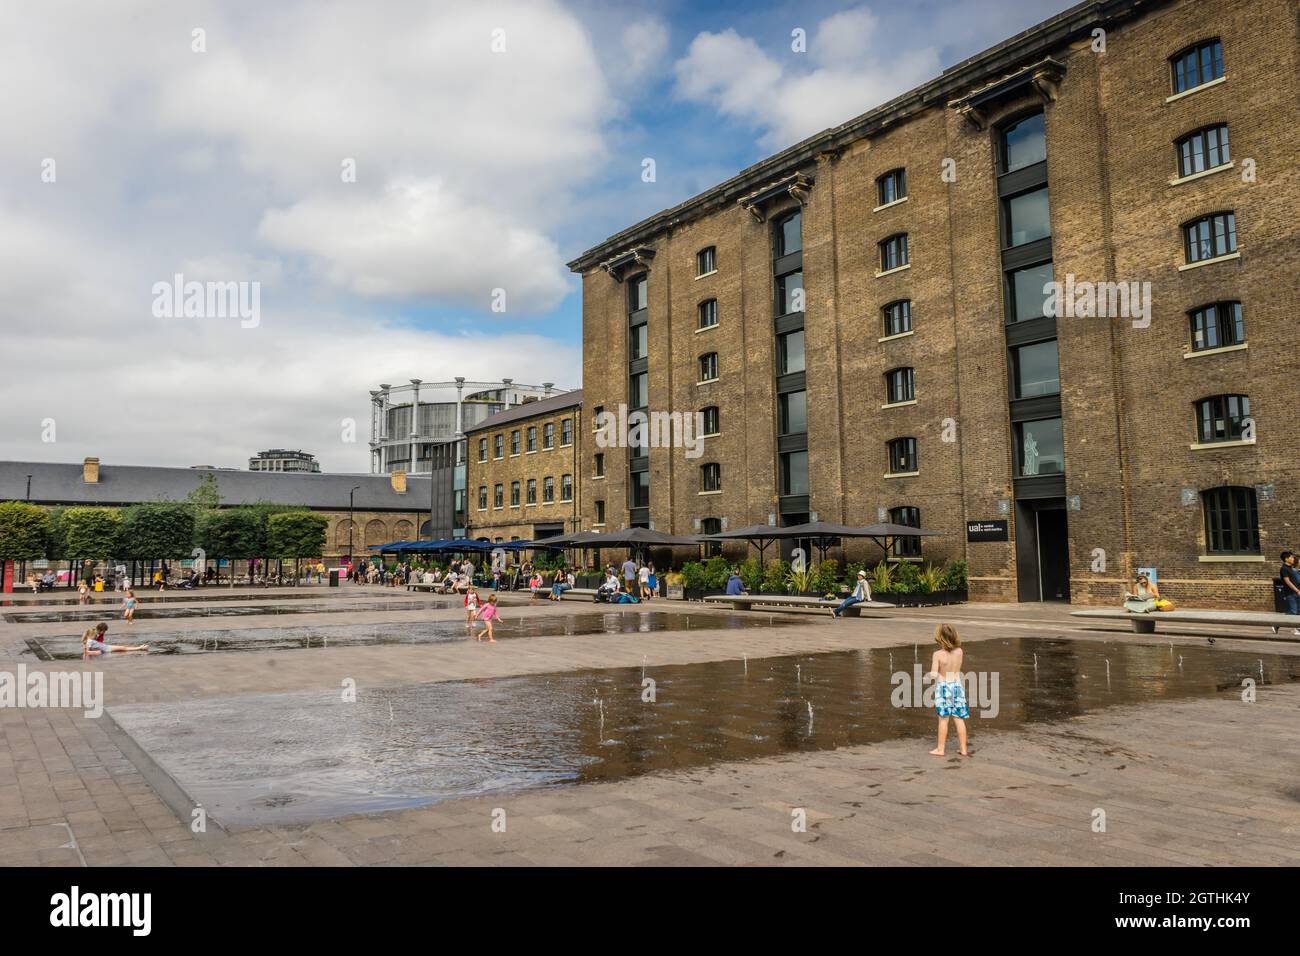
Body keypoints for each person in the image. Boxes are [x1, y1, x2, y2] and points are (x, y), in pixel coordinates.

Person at [927, 623, 969, 758]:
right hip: (957, 686)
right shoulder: (960, 651)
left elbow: (934, 674)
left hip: (944, 687)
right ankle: (963, 749)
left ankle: (940, 749)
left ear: (940, 638)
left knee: (943, 719)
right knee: (959, 718)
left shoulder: (938, 654)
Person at [1274, 551, 1300, 636]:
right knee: (1293, 611)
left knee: (1293, 612)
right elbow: (1287, 581)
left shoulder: (1291, 568)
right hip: (1290, 593)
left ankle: (1276, 625)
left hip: (1296, 592)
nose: (1293, 559)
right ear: (1286, 559)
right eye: (1291, 557)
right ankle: (1294, 629)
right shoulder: (1284, 568)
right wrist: (1297, 590)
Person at [82, 623, 148, 656]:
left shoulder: (93, 635)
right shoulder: (93, 636)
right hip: (106, 648)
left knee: (123, 648)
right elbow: (88, 650)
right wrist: (97, 652)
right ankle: (140, 648)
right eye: (104, 631)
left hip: (105, 647)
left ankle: (140, 647)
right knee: (123, 648)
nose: (104, 632)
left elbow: (95, 644)